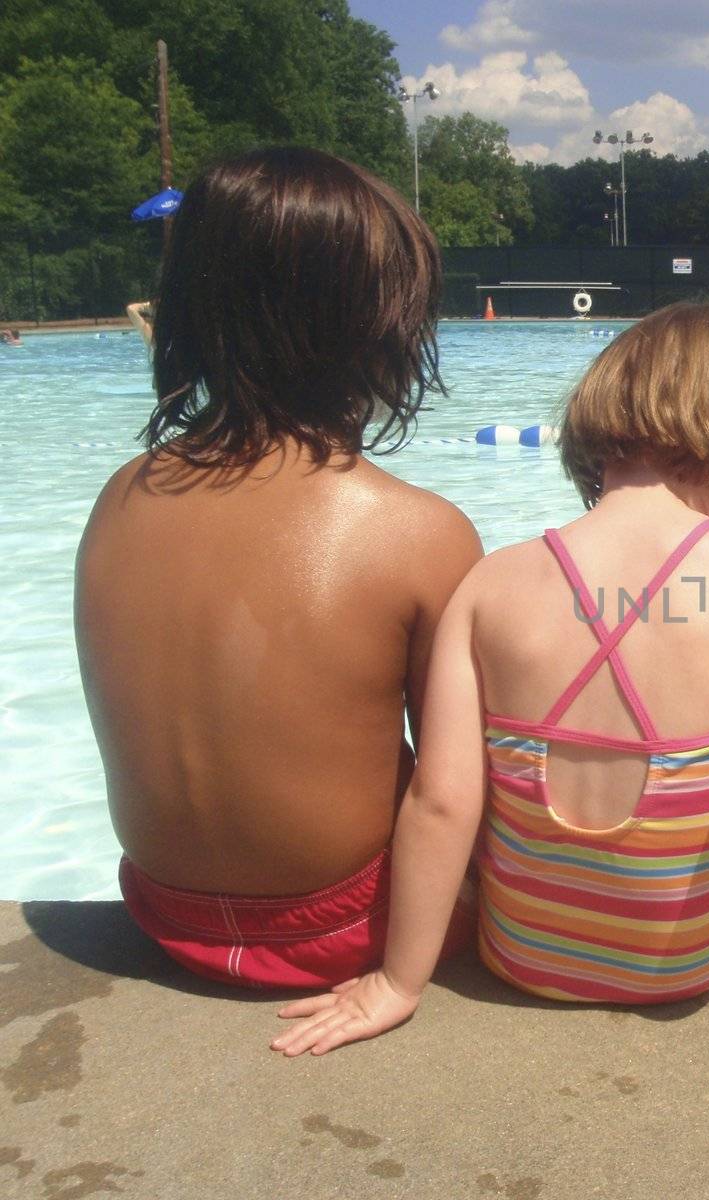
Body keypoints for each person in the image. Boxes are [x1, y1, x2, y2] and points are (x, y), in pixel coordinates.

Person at [272, 304, 709, 1054]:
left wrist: (398, 982)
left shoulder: (490, 583)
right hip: (681, 966)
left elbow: (441, 802)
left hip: (523, 961)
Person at [76, 147, 483, 990]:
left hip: (163, 911)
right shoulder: (418, 531)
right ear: (379, 332)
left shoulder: (119, 497)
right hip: (349, 923)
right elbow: (450, 793)